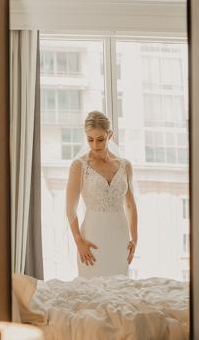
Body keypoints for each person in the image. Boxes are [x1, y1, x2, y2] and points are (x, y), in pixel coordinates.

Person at [65, 110, 138, 278]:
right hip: (91, 240)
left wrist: (134, 238)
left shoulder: (125, 165)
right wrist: (78, 241)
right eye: (90, 140)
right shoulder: (79, 166)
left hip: (120, 240)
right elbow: (70, 207)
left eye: (100, 139)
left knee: (119, 290)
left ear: (110, 135)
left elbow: (130, 204)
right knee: (93, 292)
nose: (95, 145)